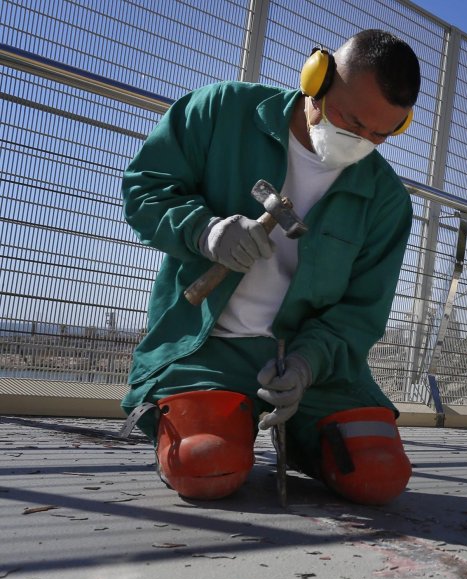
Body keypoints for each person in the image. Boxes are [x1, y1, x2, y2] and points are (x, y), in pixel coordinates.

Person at [120, 30, 421, 504]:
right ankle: (210, 421)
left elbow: (361, 312)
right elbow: (145, 187)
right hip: (209, 348)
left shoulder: (387, 201)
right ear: (315, 78)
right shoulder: (221, 111)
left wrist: (306, 364)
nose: (360, 141)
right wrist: (202, 230)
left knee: (378, 474)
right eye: (349, 120)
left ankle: (303, 434)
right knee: (203, 462)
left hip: (310, 367)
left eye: (381, 134)